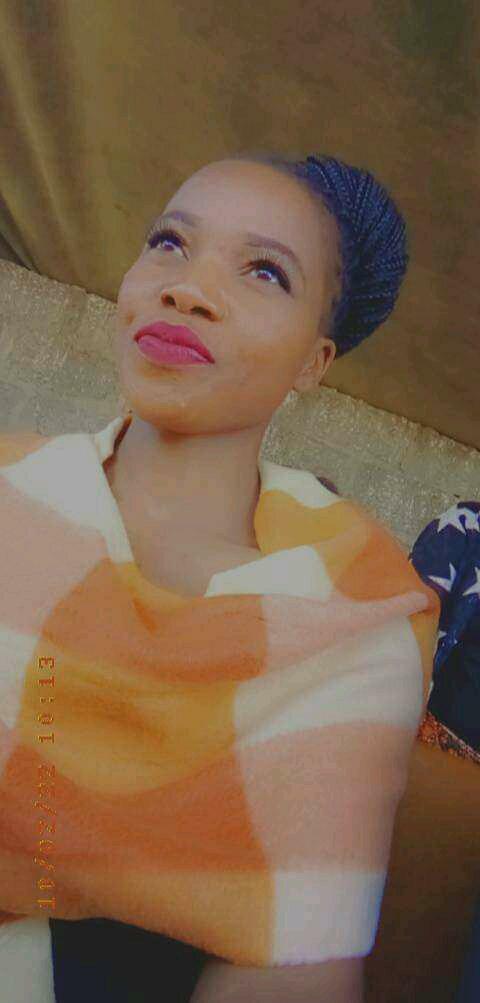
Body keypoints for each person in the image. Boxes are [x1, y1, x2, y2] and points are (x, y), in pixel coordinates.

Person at [0, 149, 439, 1003]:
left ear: (314, 361)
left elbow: (300, 963)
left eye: (265, 271)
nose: (188, 289)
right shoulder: (9, 490)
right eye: (170, 243)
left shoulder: (352, 621)